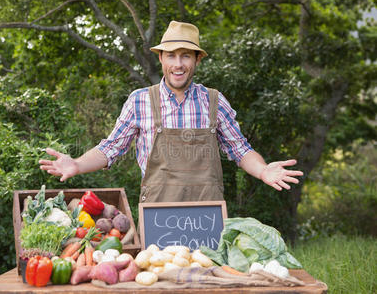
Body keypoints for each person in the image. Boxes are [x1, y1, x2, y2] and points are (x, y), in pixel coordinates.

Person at [39, 21, 303, 203]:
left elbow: (240, 149)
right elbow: (111, 148)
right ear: (161, 59)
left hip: (207, 214)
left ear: (197, 59)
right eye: (171, 56)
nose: (178, 64)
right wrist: (77, 164)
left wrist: (263, 170)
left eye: (186, 56)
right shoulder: (139, 101)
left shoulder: (214, 101)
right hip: (158, 215)